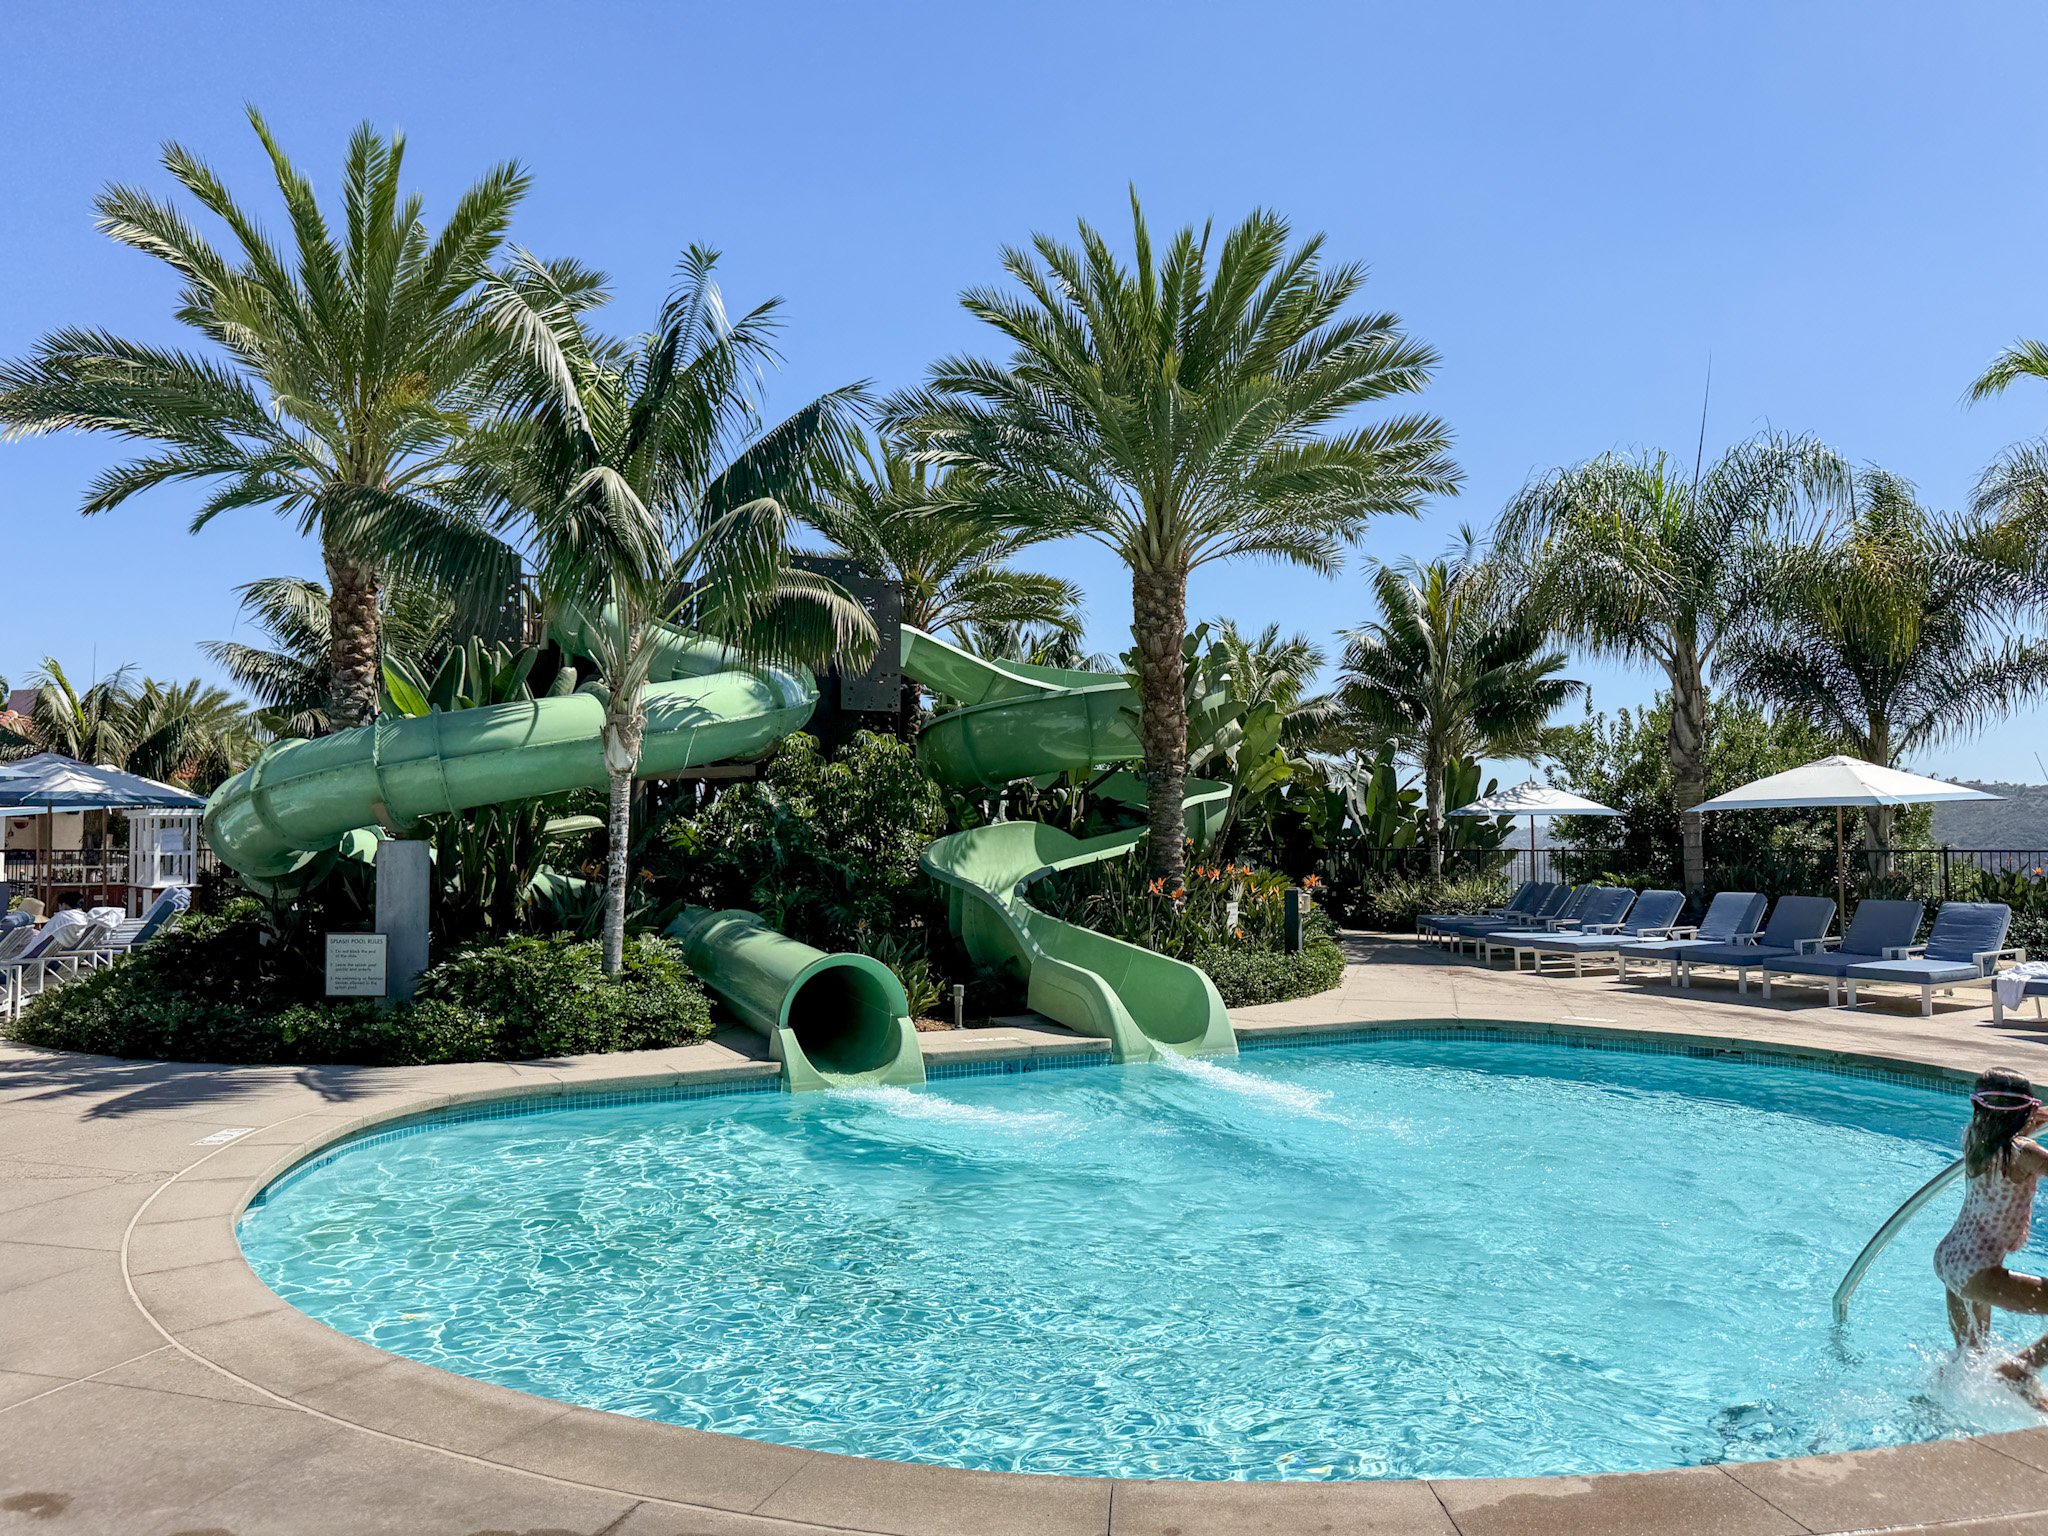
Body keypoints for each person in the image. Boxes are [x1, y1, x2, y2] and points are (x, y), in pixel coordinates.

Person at [1934, 1067, 2048, 1405]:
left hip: (1949, 1259)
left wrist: (2031, 1113)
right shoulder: (2024, 1155)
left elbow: (2022, 1120)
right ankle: (2020, 1371)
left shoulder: (1975, 1136)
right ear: (2026, 1112)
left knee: (1968, 1357)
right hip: (1979, 1270)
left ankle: (1938, 1405)